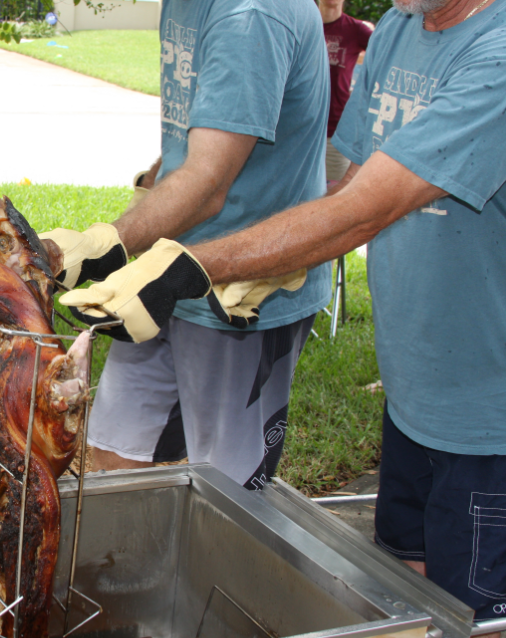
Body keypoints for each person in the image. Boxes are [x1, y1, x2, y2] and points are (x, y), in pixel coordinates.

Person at [61, 0, 506, 626]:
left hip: (488, 415)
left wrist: (193, 267)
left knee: (474, 616)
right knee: (411, 590)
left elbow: (368, 211)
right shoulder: (402, 27)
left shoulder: (496, 57)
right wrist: (276, 260)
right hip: (414, 392)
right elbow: (350, 189)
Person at [41, 0, 332, 490]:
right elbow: (196, 138)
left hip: (241, 292)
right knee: (114, 452)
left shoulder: (251, 16)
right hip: (159, 274)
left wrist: (108, 241)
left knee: (228, 487)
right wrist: (151, 192)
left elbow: (209, 180)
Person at [319, 0, 373, 183]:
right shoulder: (302, 24)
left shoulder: (356, 29)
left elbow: (389, 55)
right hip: (298, 129)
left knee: (336, 191)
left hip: (335, 131)